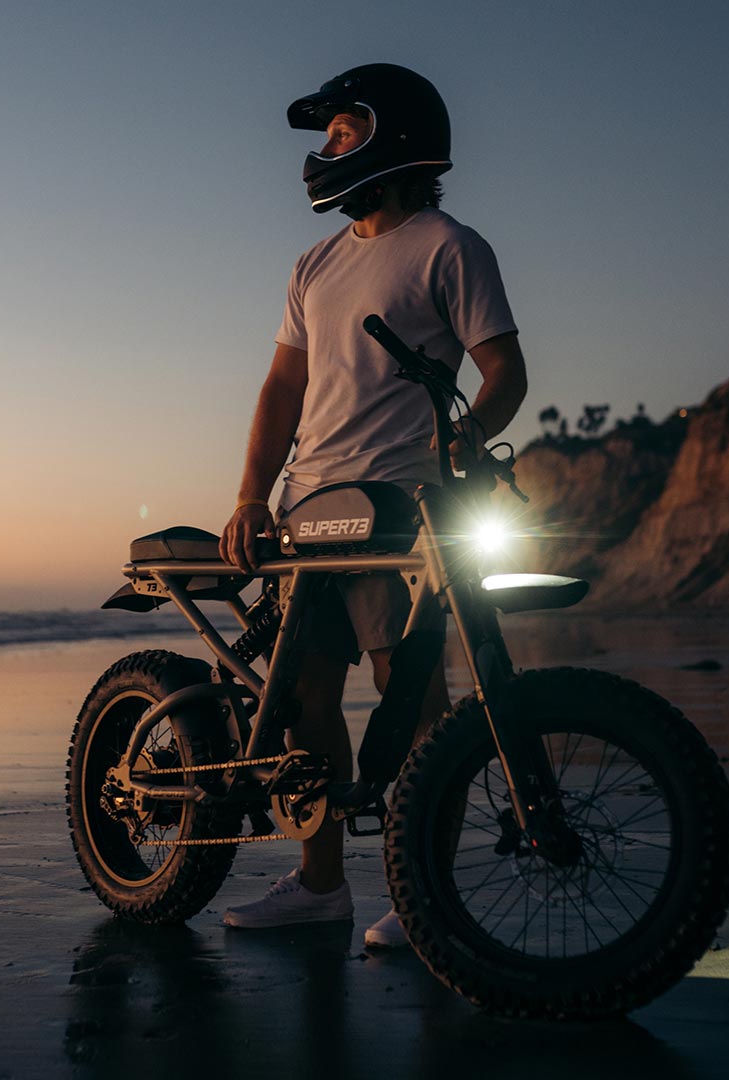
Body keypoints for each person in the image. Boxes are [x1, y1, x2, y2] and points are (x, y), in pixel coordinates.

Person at [218, 63, 527, 947]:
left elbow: (504, 372)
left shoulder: (449, 245)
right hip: (308, 509)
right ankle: (321, 890)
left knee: (413, 699)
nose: (326, 150)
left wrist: (471, 434)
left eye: (343, 132)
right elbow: (284, 386)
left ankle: (418, 890)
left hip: (401, 505)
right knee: (307, 700)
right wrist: (250, 494)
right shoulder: (313, 264)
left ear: (391, 138)